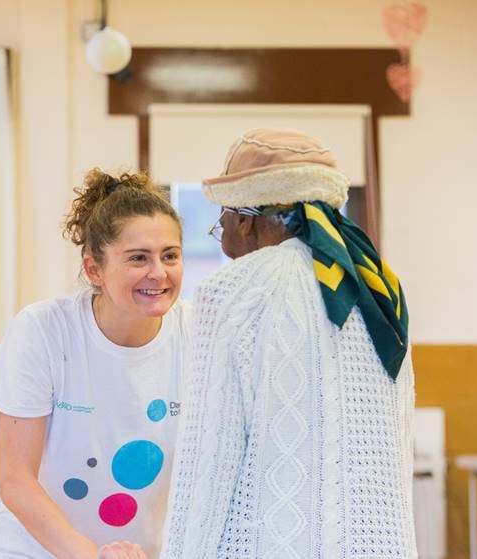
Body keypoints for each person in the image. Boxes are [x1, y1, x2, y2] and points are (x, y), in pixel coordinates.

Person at [160, 129, 416, 559]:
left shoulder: (233, 291)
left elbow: (209, 463)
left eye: (221, 215)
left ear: (244, 218)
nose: (220, 228)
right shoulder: (377, 290)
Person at [0, 170, 188, 559]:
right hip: (35, 551)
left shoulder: (199, 333)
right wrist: (91, 555)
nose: (158, 273)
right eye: (138, 258)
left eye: (170, 256)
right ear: (94, 269)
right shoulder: (43, 330)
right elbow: (15, 478)